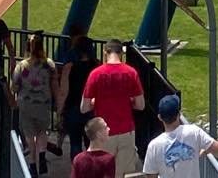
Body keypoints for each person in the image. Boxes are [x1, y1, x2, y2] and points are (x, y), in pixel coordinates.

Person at [81, 40, 144, 178]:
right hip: (126, 131)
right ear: (121, 53)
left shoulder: (95, 74)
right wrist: (129, 101)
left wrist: (94, 102)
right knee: (123, 174)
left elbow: (84, 107)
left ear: (105, 52)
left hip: (103, 132)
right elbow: (141, 105)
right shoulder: (131, 73)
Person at [141, 93, 218, 178]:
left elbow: (151, 175)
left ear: (160, 117)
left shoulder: (153, 146)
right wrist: (206, 150)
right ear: (179, 114)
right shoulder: (194, 132)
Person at [12, 34, 59, 178]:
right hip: (43, 104)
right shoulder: (49, 65)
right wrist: (57, 100)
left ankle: (32, 163)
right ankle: (42, 155)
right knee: (42, 132)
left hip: (26, 104)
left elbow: (14, 86)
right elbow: (54, 84)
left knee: (29, 135)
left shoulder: (21, 66)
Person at [57, 26, 99, 158]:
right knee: (91, 143)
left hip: (73, 107)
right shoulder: (97, 66)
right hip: (91, 108)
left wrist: (60, 109)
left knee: (75, 143)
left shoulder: (69, 67)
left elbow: (64, 90)